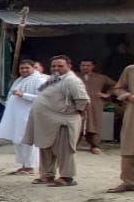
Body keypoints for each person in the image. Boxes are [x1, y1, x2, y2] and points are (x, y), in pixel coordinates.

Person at [24, 56, 89, 187]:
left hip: (62, 122)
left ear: (69, 66)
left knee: (64, 151)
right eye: (53, 66)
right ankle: (47, 175)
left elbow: (83, 101)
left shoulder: (72, 81)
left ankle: (67, 177)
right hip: (46, 123)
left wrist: (69, 114)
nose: (56, 68)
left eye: (60, 66)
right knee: (45, 148)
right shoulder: (53, 79)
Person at [0, 60, 46, 175]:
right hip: (17, 117)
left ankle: (30, 166)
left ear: (33, 68)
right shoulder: (19, 80)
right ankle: (24, 165)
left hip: (29, 116)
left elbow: (43, 98)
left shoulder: (39, 80)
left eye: (27, 68)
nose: (24, 70)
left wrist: (23, 95)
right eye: (22, 68)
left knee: (29, 141)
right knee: (18, 140)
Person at [105, 64, 134, 193]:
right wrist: (128, 96)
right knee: (129, 146)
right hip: (132, 113)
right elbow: (118, 88)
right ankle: (129, 182)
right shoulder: (130, 70)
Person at [78, 59, 114, 154]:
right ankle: (72, 144)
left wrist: (106, 94)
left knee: (94, 124)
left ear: (93, 66)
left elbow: (115, 85)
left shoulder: (101, 77)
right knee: (76, 123)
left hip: (95, 103)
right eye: (83, 65)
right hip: (77, 103)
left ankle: (95, 145)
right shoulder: (74, 77)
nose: (85, 67)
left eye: (88, 65)